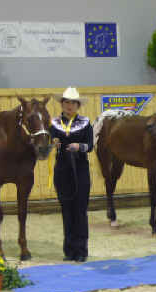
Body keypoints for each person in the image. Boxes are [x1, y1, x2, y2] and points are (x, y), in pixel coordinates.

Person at [51, 87, 93, 262]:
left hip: (80, 169)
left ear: (78, 105)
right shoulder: (53, 124)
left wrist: (79, 146)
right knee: (66, 210)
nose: (69, 106)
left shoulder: (85, 122)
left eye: (72, 103)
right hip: (62, 169)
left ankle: (81, 250)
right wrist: (52, 143)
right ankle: (69, 250)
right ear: (62, 104)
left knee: (80, 210)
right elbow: (46, 145)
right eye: (66, 102)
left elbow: (90, 145)